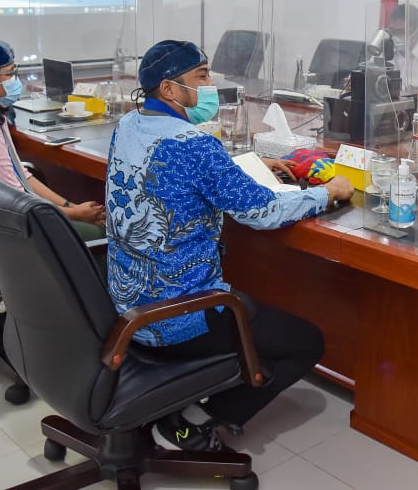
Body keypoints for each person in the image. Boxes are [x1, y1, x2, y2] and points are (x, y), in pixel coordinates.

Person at [104, 40, 354, 451]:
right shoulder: (196, 146)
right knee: (307, 342)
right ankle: (192, 420)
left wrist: (243, 163)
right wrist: (328, 193)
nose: (210, 84)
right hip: (180, 315)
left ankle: (178, 397)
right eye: (201, 76)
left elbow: (173, 178)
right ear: (169, 89)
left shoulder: (128, 125)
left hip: (129, 303)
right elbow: (263, 212)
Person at [0, 38, 105, 264]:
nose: (16, 80)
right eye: (9, 73)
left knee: (87, 227)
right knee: (94, 237)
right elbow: (17, 200)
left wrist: (69, 206)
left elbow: (19, 175)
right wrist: (75, 215)